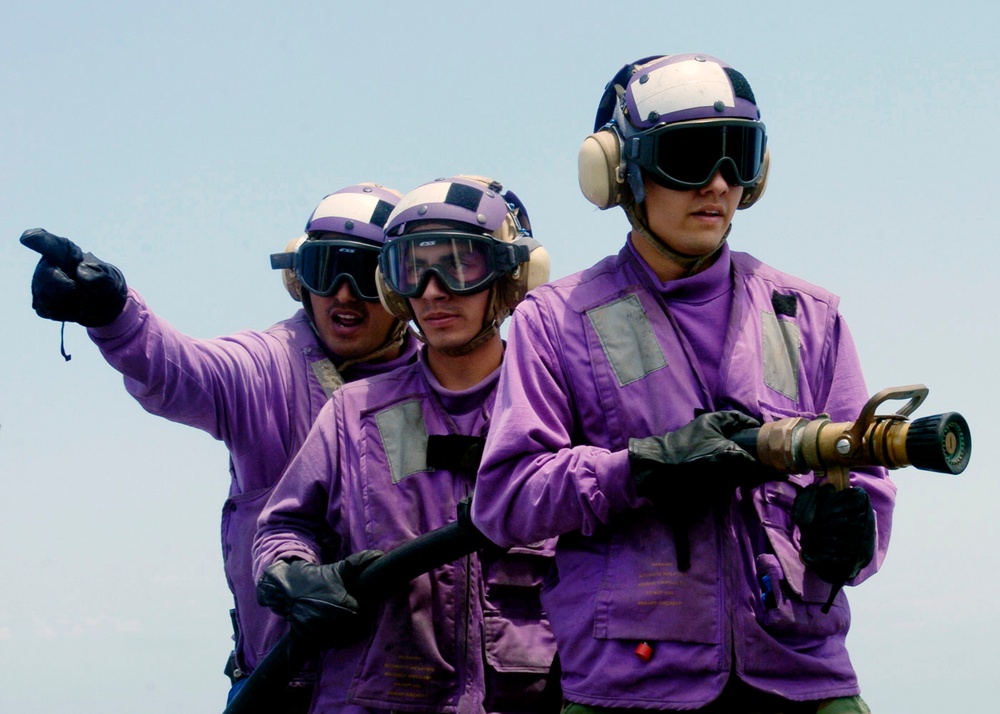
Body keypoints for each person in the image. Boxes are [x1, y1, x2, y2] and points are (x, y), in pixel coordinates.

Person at [471, 54, 896, 713]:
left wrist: (853, 535)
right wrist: (642, 468)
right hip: (628, 688)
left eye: (738, 157)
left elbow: (866, 479)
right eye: (689, 155)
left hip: (800, 675)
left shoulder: (808, 316)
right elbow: (505, 498)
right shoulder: (556, 322)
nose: (718, 184)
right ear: (620, 172)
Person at [20, 183, 419, 711]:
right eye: (326, 269)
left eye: (365, 274)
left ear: (398, 285)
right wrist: (113, 314)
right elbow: (182, 371)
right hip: (285, 687)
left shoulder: (435, 382)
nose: (343, 294)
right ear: (298, 280)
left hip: (410, 691)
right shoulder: (267, 365)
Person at [253, 175, 558, 713]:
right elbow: (283, 528)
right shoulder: (357, 413)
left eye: (461, 265)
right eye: (413, 269)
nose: (434, 290)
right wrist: (296, 575)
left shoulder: (554, 405)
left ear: (511, 278)